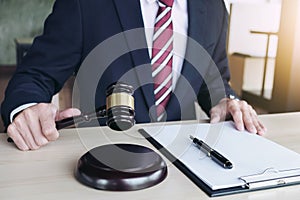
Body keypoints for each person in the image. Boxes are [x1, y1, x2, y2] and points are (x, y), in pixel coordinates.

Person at [1, 0, 266, 151]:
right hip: (99, 159)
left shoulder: (214, 8)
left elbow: (215, 80)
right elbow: (34, 75)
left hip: (182, 160)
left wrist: (226, 100)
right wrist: (27, 109)